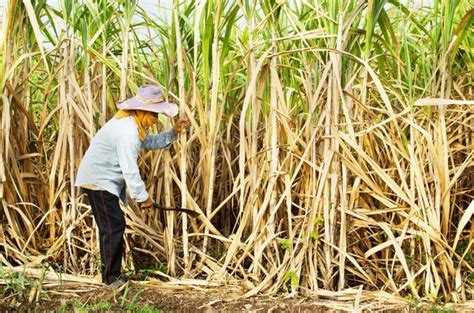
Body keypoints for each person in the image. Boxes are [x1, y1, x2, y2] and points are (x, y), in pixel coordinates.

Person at [75, 84, 189, 288]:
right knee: (112, 226)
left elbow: (150, 142)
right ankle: (111, 279)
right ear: (142, 110)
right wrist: (143, 197)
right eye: (154, 115)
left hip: (102, 181)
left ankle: (111, 275)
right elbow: (129, 170)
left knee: (111, 226)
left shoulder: (133, 125)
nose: (155, 120)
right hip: (98, 180)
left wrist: (174, 132)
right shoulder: (127, 131)